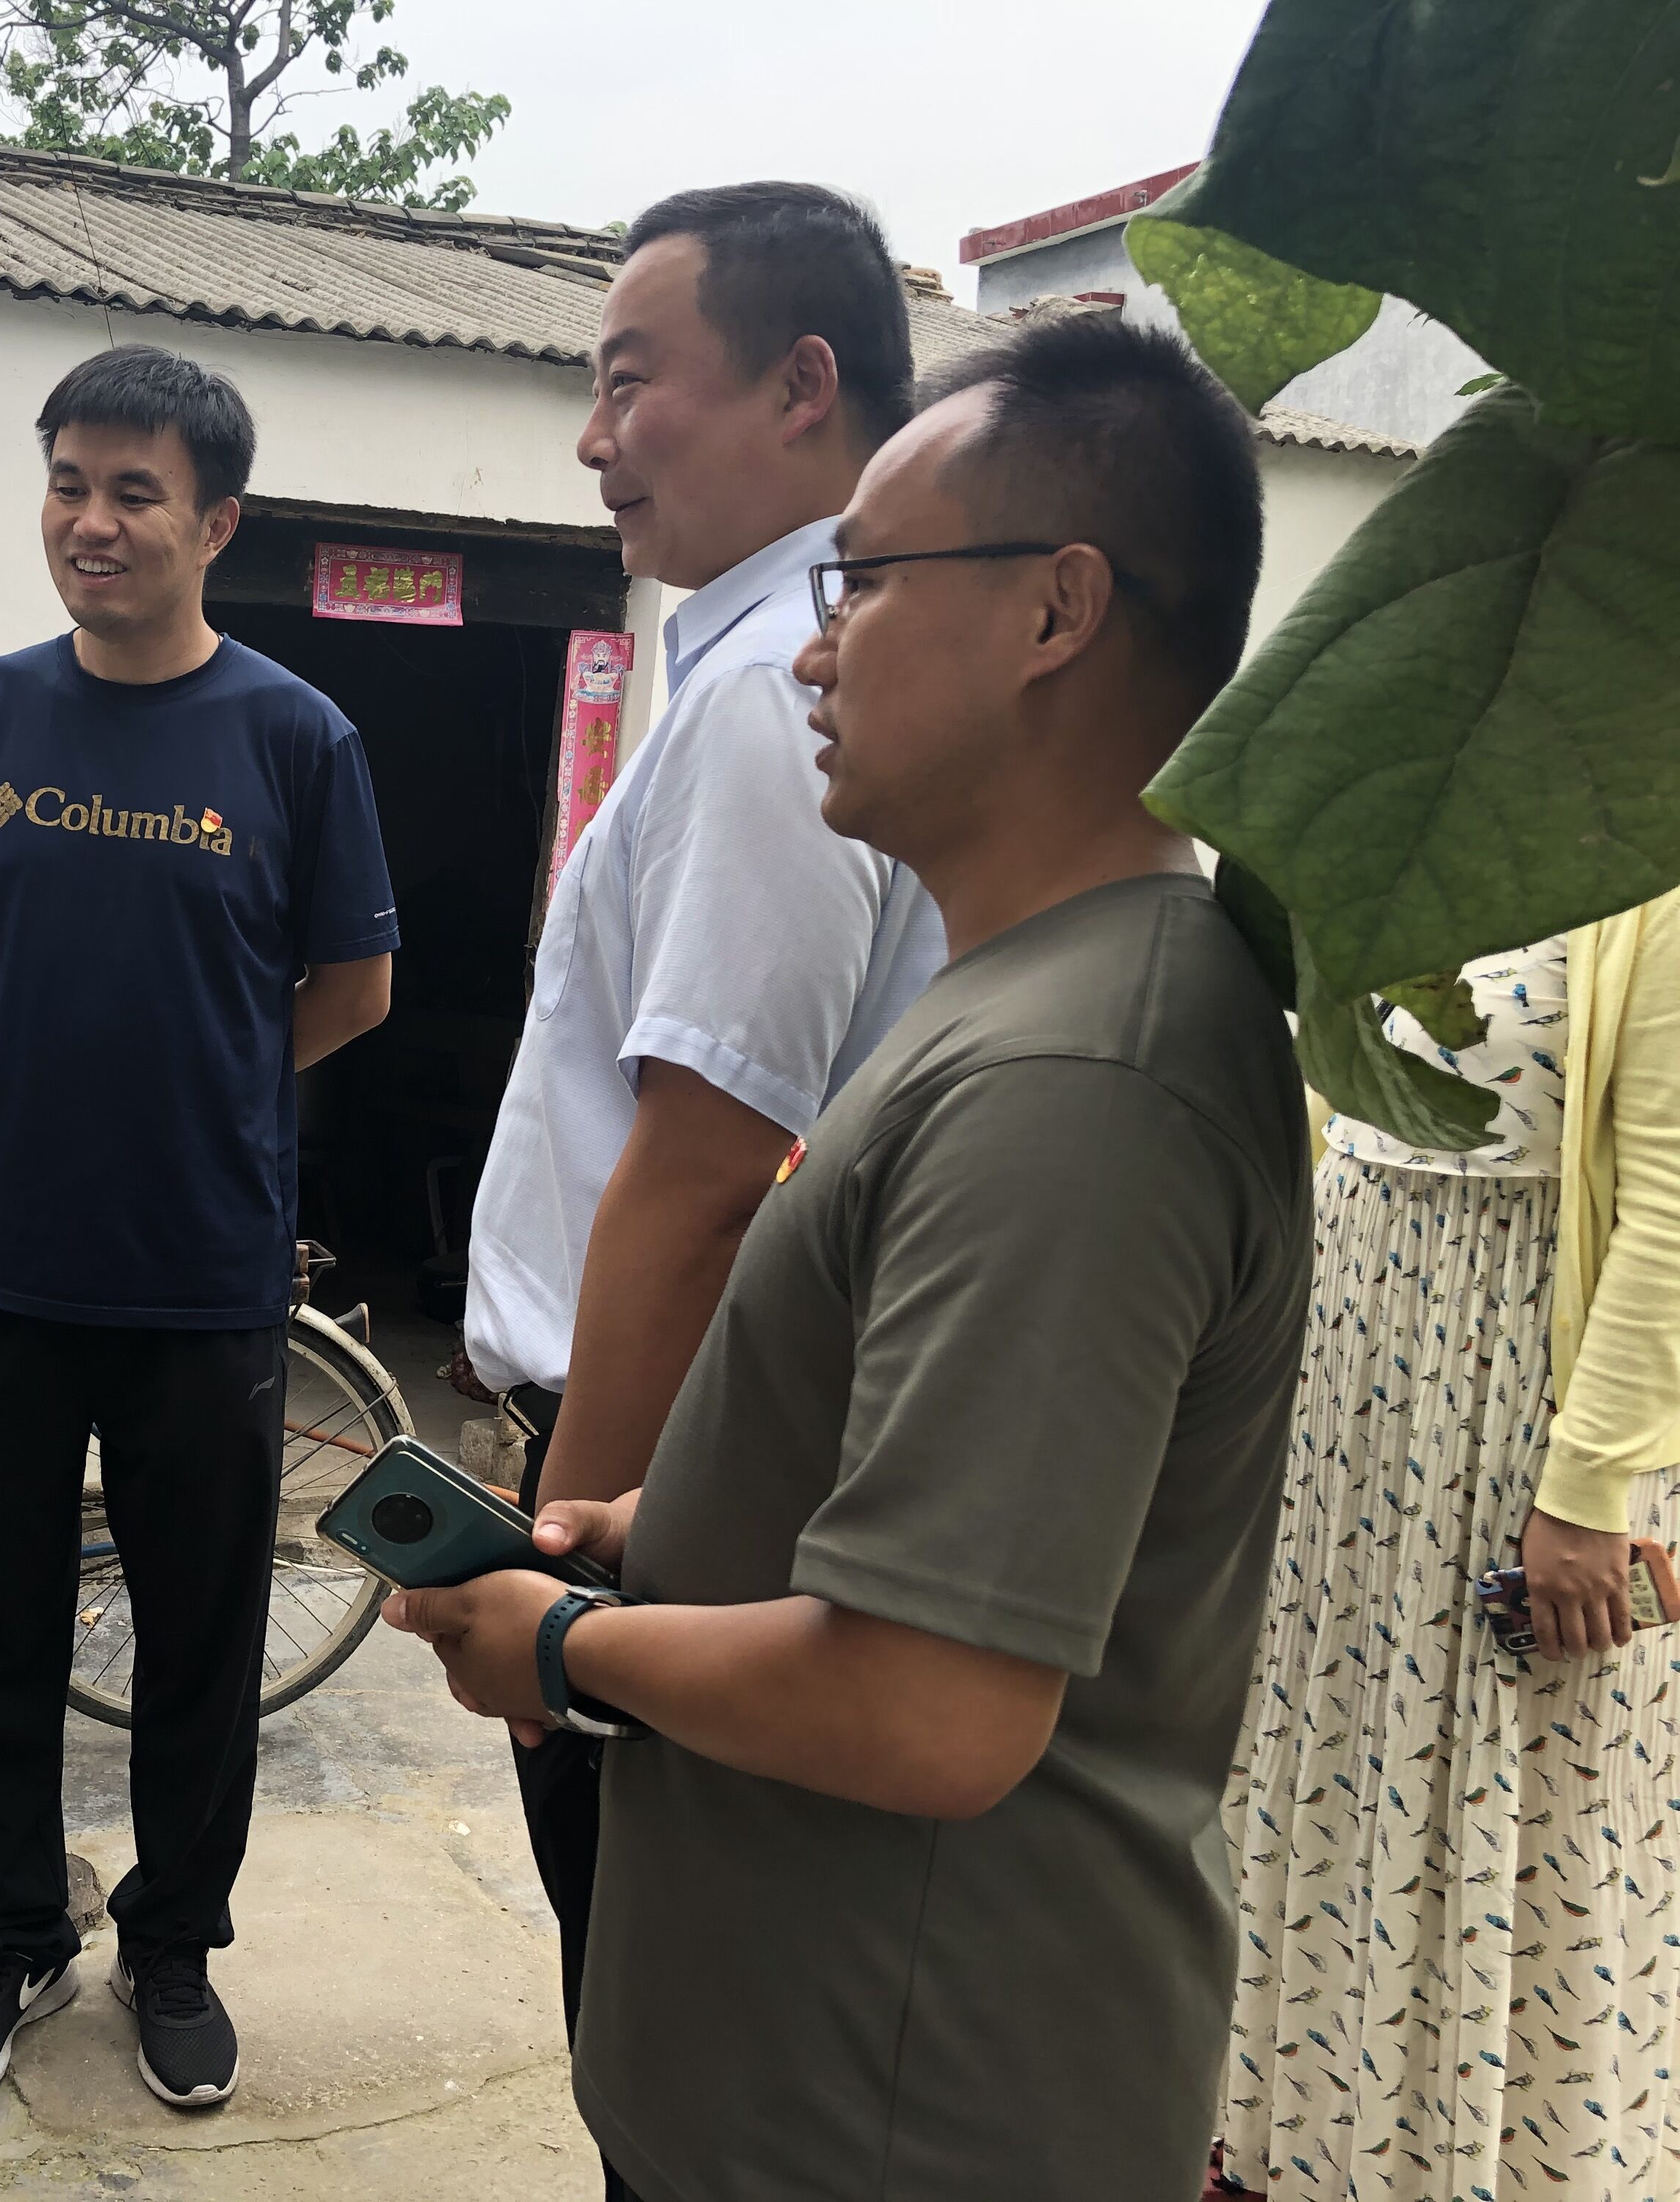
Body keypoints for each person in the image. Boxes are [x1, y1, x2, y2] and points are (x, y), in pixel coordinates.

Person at [388, 311, 1315, 2199]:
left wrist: (563, 1645)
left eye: (865, 585)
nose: (813, 649)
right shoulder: (1035, 991)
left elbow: (936, 1704)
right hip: (823, 2067)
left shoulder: (1080, 1076)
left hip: (896, 2113)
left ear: (1056, 609)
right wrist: (659, 1530)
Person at [451, 182, 945, 2090]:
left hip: (660, 1477)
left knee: (673, 2057)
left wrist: (560, 1583)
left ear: (802, 386)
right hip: (680, 1460)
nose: (593, 440)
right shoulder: (768, 664)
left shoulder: (769, 694)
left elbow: (709, 1164)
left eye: (629, 380)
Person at [0, 345, 395, 2115]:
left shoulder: (295, 738)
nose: (91, 523)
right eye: (68, 484)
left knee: (198, 1642)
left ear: (216, 525)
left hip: (200, 1275)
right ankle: (8, 1936)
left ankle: (172, 1943)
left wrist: (200, 1075)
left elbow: (353, 988)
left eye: (134, 493)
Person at [1215, 898, 1680, 2200]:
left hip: (1519, 1409)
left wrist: (1586, 1492)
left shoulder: (1655, 873)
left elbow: (1670, 1208)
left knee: (1517, 1799)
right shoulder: (1409, 847)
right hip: (1354, 1384)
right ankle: (1310, 2144)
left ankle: (1498, 2163)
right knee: (1335, 1761)